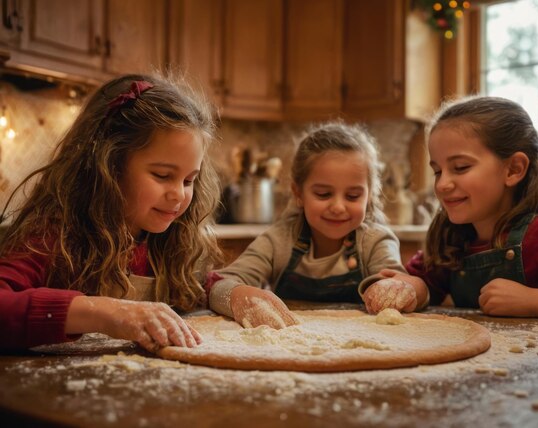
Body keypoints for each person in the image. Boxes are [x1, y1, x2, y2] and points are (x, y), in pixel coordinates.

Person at [0, 73, 224, 351]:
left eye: (189, 180)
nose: (179, 194)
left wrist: (231, 293)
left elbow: (199, 283)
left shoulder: (168, 240)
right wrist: (101, 312)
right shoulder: (53, 237)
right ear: (108, 166)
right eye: (163, 175)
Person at [402, 95, 538, 322]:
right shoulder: (453, 238)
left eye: (460, 167)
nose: (442, 184)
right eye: (437, 171)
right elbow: (421, 282)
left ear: (513, 170)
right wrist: (410, 287)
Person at [207, 122, 429, 327]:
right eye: (323, 194)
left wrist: (404, 290)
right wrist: (236, 294)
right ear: (298, 194)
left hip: (364, 346)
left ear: (369, 196)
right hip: (293, 343)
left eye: (352, 196)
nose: (338, 207)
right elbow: (218, 285)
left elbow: (409, 287)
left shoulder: (375, 241)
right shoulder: (279, 241)